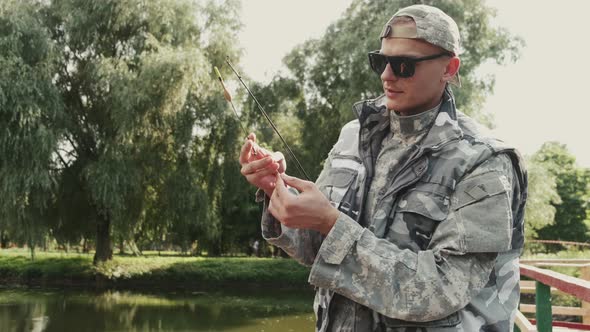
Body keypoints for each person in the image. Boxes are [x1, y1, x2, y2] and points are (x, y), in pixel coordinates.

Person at [239, 4, 527, 331]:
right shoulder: (353, 136)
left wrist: (331, 224)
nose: (386, 75)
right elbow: (315, 248)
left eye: (404, 65)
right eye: (381, 61)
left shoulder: (485, 160)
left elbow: (442, 289)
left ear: (449, 67)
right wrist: (276, 188)